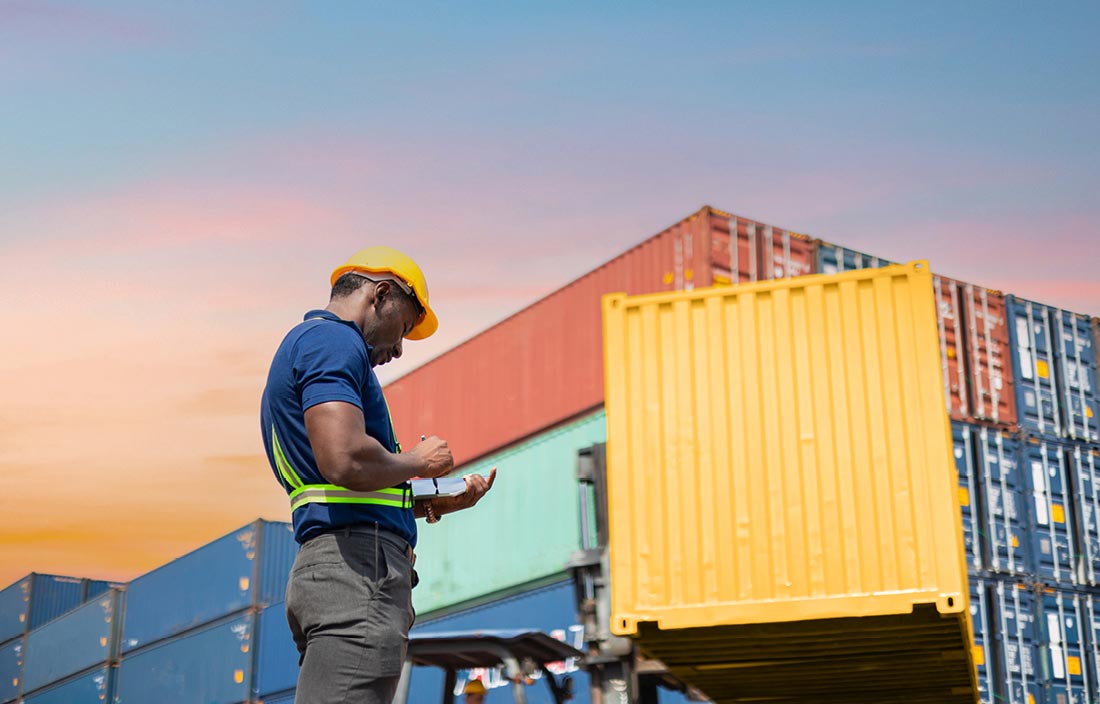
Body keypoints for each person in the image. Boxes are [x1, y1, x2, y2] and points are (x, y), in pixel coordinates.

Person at [260, 246, 497, 704]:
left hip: (343, 568)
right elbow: (344, 459)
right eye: (404, 326)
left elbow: (339, 477)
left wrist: (430, 499)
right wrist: (420, 460)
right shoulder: (331, 341)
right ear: (381, 295)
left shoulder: (314, 344)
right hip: (357, 574)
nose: (400, 347)